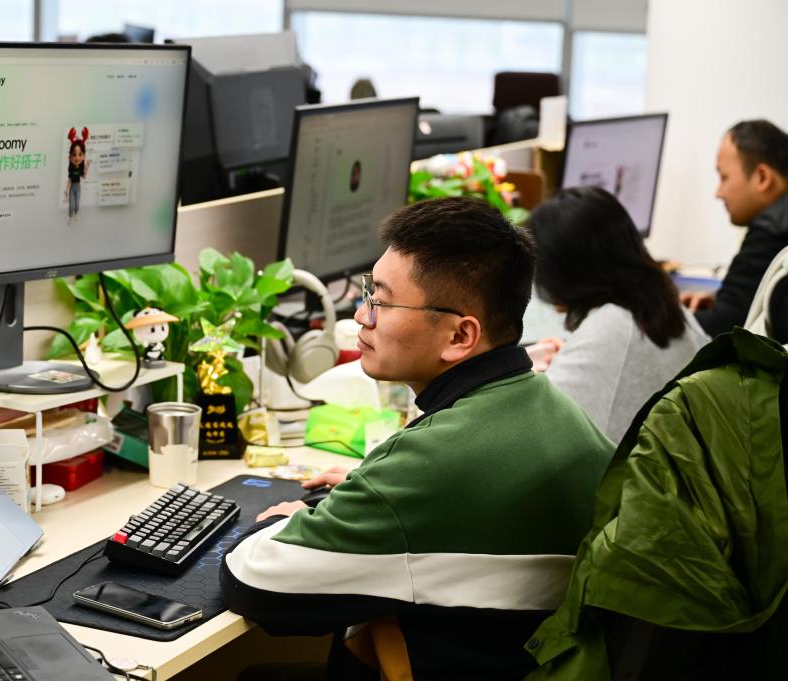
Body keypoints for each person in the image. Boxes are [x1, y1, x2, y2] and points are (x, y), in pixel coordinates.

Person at [220, 197, 614, 680]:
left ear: (459, 337)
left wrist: (291, 519)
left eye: (382, 302)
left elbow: (254, 581)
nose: (362, 316)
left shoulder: (436, 458)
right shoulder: (553, 409)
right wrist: (380, 489)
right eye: (368, 292)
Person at [526, 187, 709, 443]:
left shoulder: (610, 329)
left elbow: (535, 430)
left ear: (566, 271)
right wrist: (575, 353)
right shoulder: (662, 305)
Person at [683, 119, 788, 337]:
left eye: (724, 177)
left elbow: (724, 328)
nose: (718, 192)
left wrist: (671, 315)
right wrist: (721, 302)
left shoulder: (774, 230)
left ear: (762, 178)